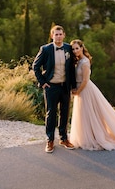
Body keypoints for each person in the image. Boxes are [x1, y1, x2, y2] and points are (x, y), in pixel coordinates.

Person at [32, 25, 77, 153]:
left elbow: (72, 69)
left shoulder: (68, 48)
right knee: (51, 113)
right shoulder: (45, 49)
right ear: (52, 36)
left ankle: (63, 138)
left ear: (64, 35)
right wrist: (43, 82)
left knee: (64, 112)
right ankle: (50, 140)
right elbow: (35, 66)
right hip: (51, 86)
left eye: (60, 34)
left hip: (65, 86)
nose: (58, 36)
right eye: (55, 34)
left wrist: (73, 86)